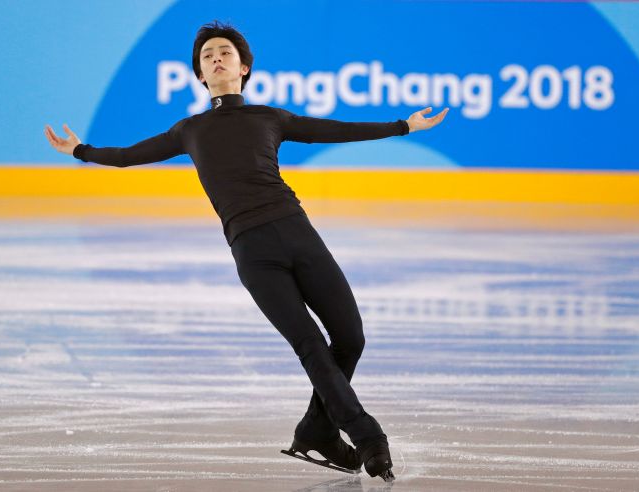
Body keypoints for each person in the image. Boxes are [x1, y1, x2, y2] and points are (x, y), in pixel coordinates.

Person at [44, 20, 447, 482]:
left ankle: (316, 430)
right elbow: (129, 155)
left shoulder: (270, 118)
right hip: (253, 252)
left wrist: (402, 126)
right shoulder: (188, 130)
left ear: (244, 68)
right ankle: (367, 436)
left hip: (299, 233)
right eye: (206, 57)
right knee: (310, 344)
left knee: (351, 338)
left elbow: (334, 130)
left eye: (225, 53)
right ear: (199, 75)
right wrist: (80, 150)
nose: (215, 59)